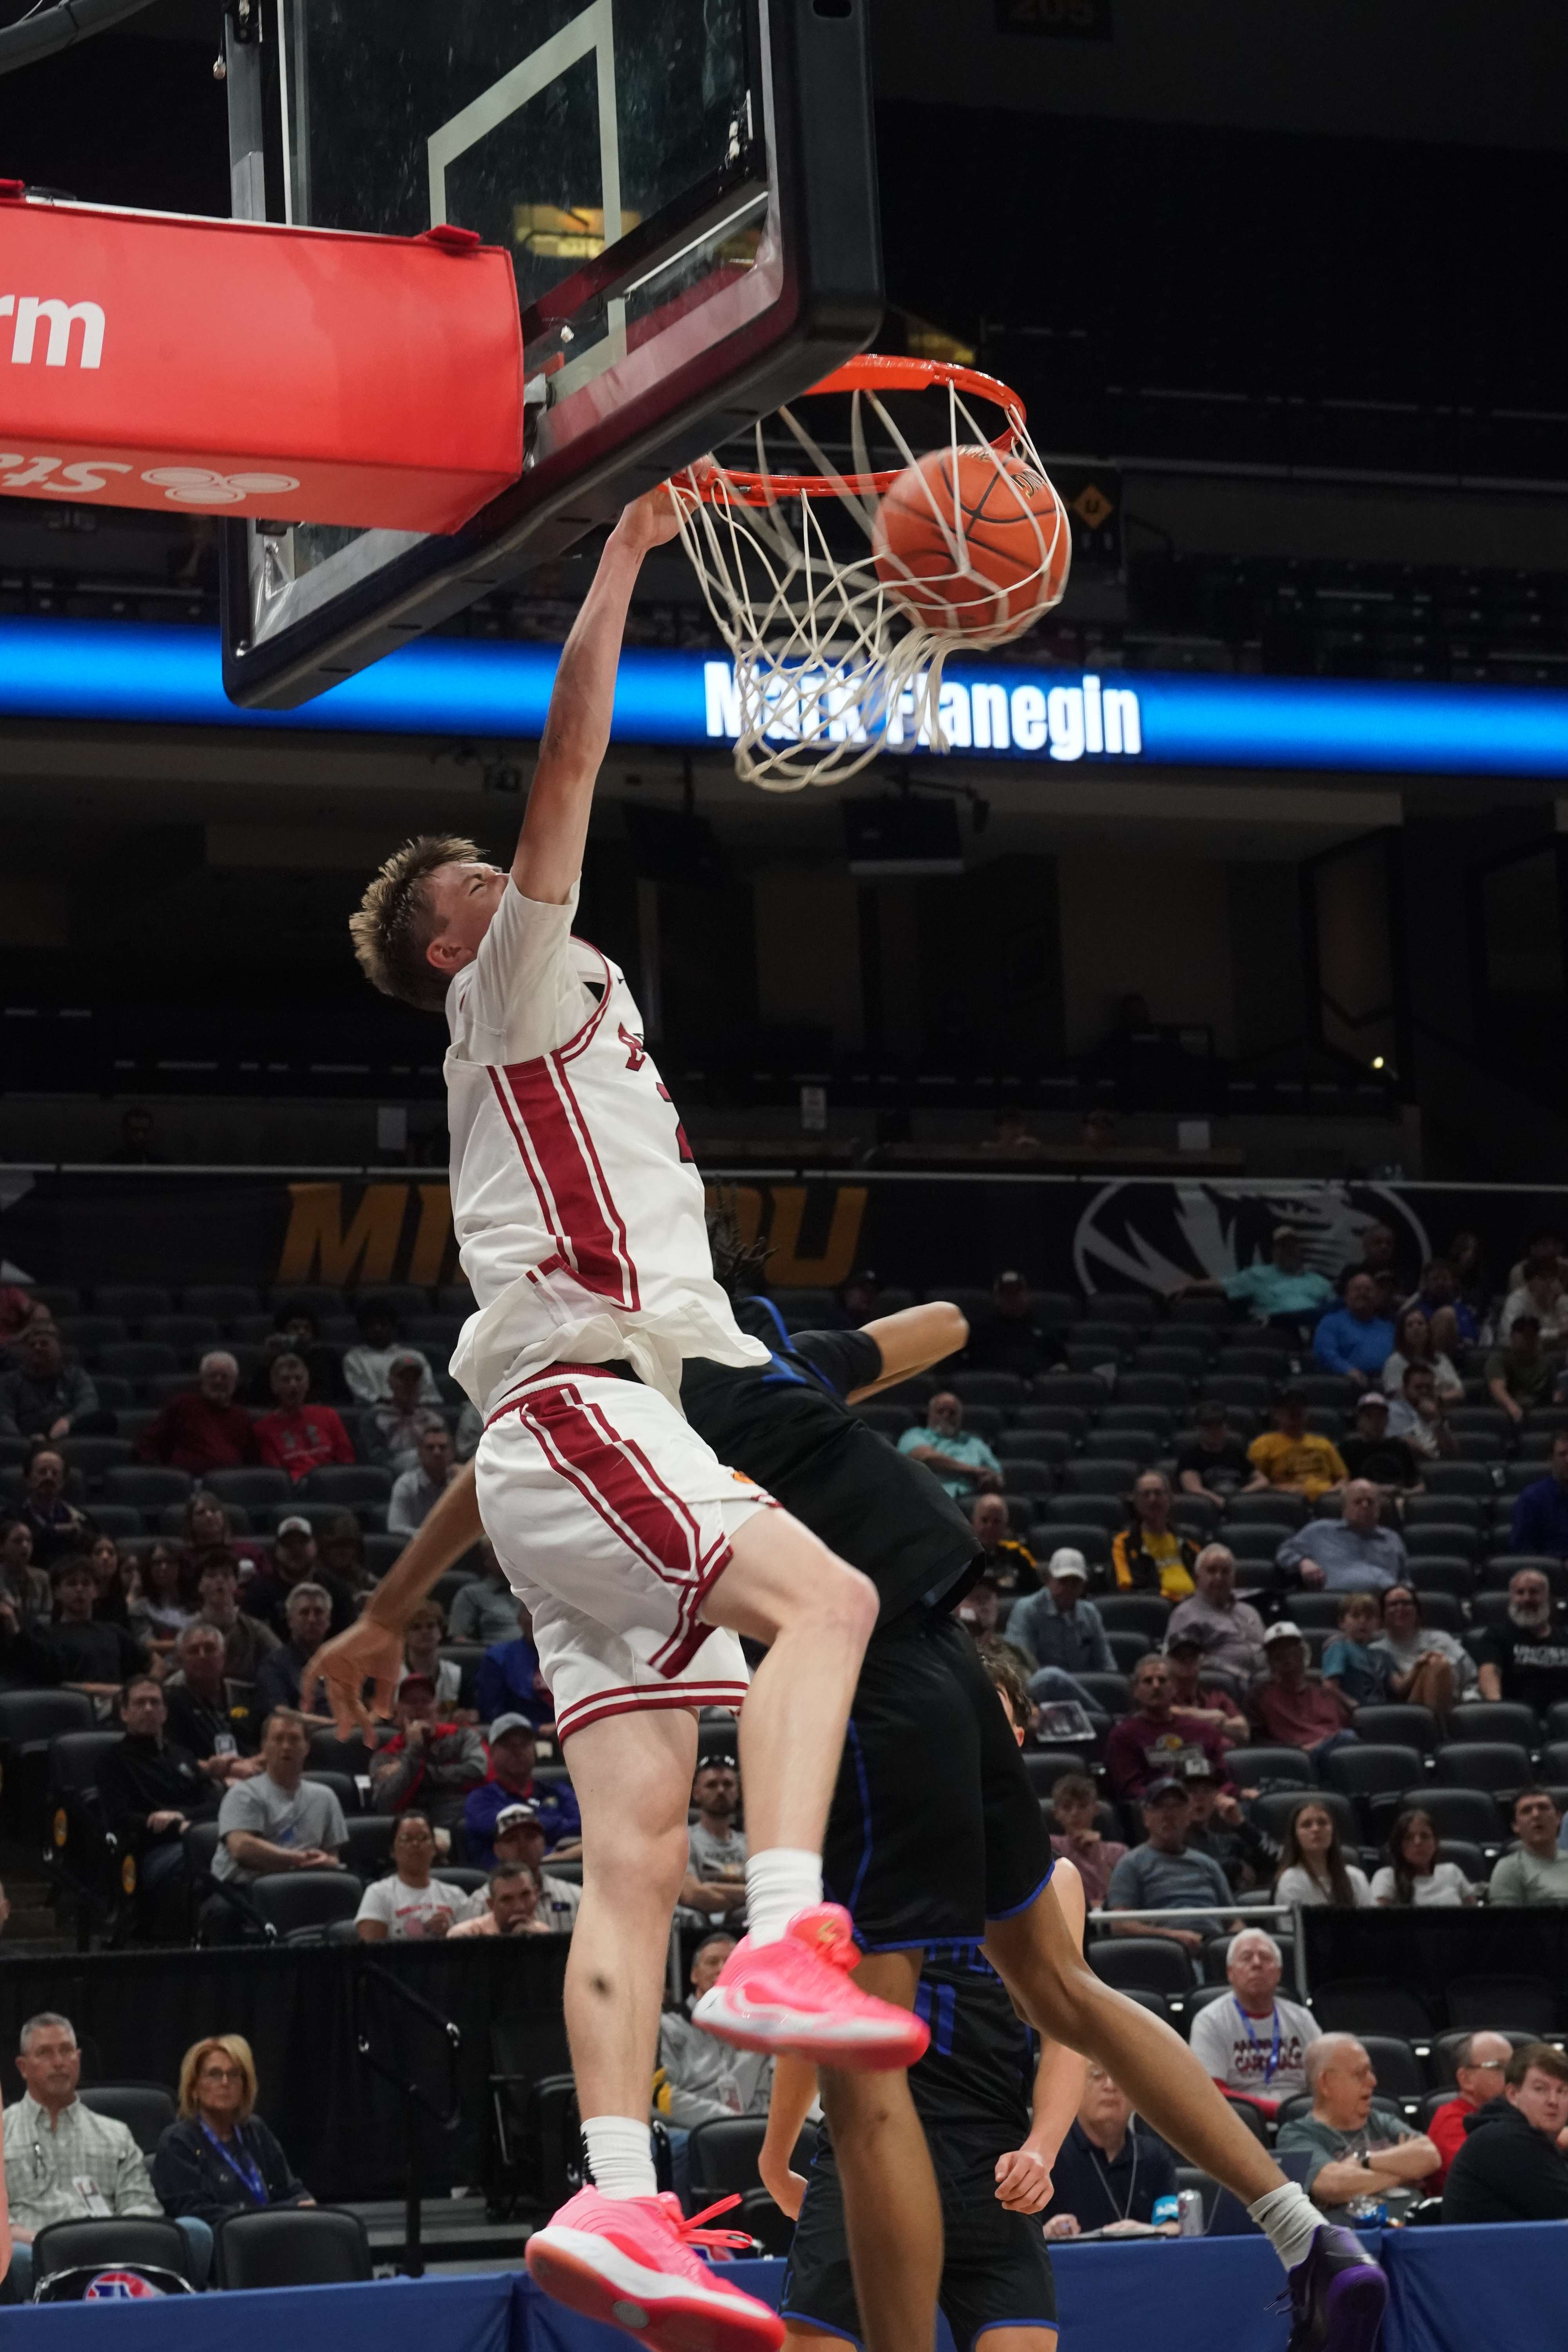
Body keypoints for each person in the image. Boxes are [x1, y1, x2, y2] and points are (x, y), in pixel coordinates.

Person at [312, 1328, 1379, 2352]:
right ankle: (1300, 2231)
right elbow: (942, 1323)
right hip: (955, 1653)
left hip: (865, 1682)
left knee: (865, 2081)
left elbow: (504, 1455)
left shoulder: (625, 1369)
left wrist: (390, 1606)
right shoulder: (769, 1353)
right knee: (1064, 1989)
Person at [773, 1888, 1083, 2349]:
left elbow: (1066, 2031)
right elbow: (814, 2013)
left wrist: (1043, 2146)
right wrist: (774, 2159)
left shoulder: (1050, 1878)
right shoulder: (860, 1859)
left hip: (989, 2164)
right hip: (863, 2146)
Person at [2, 2011, 213, 2295]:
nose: (59, 2062)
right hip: (36, 2253)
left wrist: (111, 2238)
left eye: (66, 2051)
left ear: (78, 2058)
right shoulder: (6, 2131)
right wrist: (44, 2241)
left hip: (113, 2253)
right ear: (23, 2067)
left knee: (195, 2231)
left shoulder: (115, 2134)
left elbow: (143, 2207)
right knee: (14, 2257)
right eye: (45, 2053)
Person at [97, 1673, 221, 1937]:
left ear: (165, 1712)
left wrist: (182, 1817)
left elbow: (216, 1803)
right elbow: (120, 1818)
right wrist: (169, 1825)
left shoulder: (182, 1756)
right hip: (150, 1851)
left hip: (196, 1837)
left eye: (155, 1703)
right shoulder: (112, 1761)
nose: (149, 1709)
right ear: (125, 1713)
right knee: (199, 1860)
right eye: (140, 1703)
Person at [151, 2035, 313, 2227]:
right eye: (215, 2074)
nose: (226, 2082)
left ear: (245, 2086)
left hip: (274, 2232)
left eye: (235, 2074)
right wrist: (271, 2215)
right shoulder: (179, 2141)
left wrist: (303, 2203)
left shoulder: (255, 2130)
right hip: (223, 2243)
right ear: (194, 2088)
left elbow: (291, 2189)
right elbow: (194, 2212)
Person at [1278, 2036, 1439, 2226]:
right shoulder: (1297, 2134)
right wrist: (1406, 2173)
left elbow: (1430, 2156)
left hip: (1414, 2232)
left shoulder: (1382, 2120)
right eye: (1360, 2074)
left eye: (1370, 2072)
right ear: (1326, 2083)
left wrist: (1363, 2161)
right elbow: (1334, 2185)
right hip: (1349, 2244)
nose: (1373, 2081)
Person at [209, 1708, 347, 1922]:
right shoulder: (244, 1793)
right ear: (264, 1747)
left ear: (307, 1748)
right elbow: (242, 1848)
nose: (286, 1747)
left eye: (294, 1740)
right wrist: (297, 1860)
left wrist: (326, 1862)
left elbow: (333, 1856)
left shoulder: (325, 1797)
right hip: (247, 1891)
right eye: (278, 1739)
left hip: (306, 1888)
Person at [1040, 2059, 1181, 2238]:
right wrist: (1047, 2232)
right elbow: (1022, 2236)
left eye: (1119, 2077)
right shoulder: (1049, 2154)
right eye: (1097, 2075)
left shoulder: (1154, 2156)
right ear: (1075, 2088)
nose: (1110, 2086)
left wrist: (1146, 2231)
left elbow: (1174, 2227)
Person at [1189, 1930, 1321, 2116]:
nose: (1257, 1964)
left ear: (1279, 1972)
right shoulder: (1210, 2021)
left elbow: (1327, 2079)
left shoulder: (1302, 2018)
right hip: (1241, 2123)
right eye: (1246, 1958)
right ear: (1231, 1973)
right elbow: (1212, 2092)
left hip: (1302, 2121)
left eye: (1266, 1958)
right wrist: (1279, 2111)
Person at [1442, 2043, 1568, 2225]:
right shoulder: (1505, 2141)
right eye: (1540, 2089)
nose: (1553, 2101)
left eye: (1562, 2091)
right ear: (1513, 2094)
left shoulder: (1524, 2137)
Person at [1104, 1780, 1241, 1945]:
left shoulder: (1208, 1864)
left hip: (1214, 1948)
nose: (1168, 1815)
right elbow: (1120, 1925)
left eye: (1176, 1806)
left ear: (1188, 1815)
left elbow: (1235, 1922)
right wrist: (1171, 1938)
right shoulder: (1131, 1864)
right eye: (1159, 1807)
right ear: (1145, 1817)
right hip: (1164, 1953)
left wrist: (1232, 1945)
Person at [656, 1936, 773, 2127]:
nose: (722, 1969)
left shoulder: (762, 2031)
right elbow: (657, 2097)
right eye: (712, 1962)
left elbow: (771, 2096)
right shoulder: (667, 2026)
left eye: (732, 1963)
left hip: (753, 2132)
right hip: (687, 2132)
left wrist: (750, 2128)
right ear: (694, 1975)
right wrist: (723, 2120)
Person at [5, 1554, 148, 1694]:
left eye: (86, 1583)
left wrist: (144, 1689)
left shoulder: (114, 1632)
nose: (79, 1589)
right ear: (57, 1593)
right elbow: (51, 1685)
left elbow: (157, 1664)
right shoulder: (43, 1636)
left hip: (120, 1708)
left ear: (96, 1591)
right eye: (71, 1583)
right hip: (72, 1707)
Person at [1103, 1653, 1235, 1800]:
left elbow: (1223, 1780)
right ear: (1135, 1690)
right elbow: (1130, 1789)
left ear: (1174, 1687)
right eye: (1148, 1681)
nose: (1156, 1686)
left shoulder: (1203, 1730)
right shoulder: (1123, 1736)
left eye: (1162, 1680)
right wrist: (1175, 1801)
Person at [368, 1675, 487, 1830]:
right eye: (411, 1702)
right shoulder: (386, 1756)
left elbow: (478, 1771)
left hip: (461, 1823)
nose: (419, 1707)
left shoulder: (463, 1736)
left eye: (426, 1701)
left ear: (436, 1707)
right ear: (398, 1710)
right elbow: (385, 1804)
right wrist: (414, 1749)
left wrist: (415, 1771)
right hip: (413, 1834)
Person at [462, 1714, 581, 1867]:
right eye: (508, 1745)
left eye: (524, 1744)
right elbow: (509, 1833)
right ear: (491, 1753)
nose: (517, 1751)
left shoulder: (558, 1791)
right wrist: (556, 1823)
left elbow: (580, 1825)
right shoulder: (480, 1800)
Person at [1006, 1548, 1116, 1710]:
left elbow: (1106, 1665)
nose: (1069, 1589)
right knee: (1050, 1677)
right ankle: (1104, 1716)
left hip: (1083, 1689)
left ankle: (1101, 1715)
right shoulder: (1027, 1609)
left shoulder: (1089, 1613)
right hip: (1040, 1694)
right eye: (1063, 1581)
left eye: (1075, 1583)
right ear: (1049, 1579)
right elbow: (1019, 1664)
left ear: (1084, 1585)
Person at [1174, 1224, 1335, 1333]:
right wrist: (1190, 1286)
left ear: (1300, 1251)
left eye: (1292, 1247)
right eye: (1283, 1247)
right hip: (1274, 1333)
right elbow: (1221, 1285)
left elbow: (1338, 1310)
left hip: (1312, 1333)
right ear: (1275, 1252)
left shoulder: (1319, 1281)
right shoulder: (1258, 1275)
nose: (1288, 1251)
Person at [137, 1351, 260, 1476]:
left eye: (225, 1376)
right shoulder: (183, 1405)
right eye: (213, 1376)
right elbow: (150, 1442)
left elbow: (252, 1458)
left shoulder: (242, 1417)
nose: (218, 1381)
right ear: (203, 1379)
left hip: (231, 1483)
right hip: (189, 1483)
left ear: (235, 1382)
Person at [163, 1619, 261, 1774]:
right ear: (180, 1661)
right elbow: (171, 1757)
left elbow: (275, 1739)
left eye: (210, 1649)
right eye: (194, 1651)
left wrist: (250, 1764)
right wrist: (225, 1769)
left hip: (255, 1773)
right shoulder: (169, 1702)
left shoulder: (247, 1692)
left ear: (223, 1657)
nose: (203, 1656)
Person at [1248, 1623, 1356, 1761]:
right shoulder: (1259, 1696)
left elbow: (1349, 1722)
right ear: (1270, 1663)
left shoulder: (1324, 1693)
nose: (1287, 1661)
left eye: (1292, 1654)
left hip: (1338, 1754)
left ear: (1303, 1654)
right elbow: (1259, 1743)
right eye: (1279, 1657)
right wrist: (1300, 1751)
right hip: (1297, 1760)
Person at [1276, 1480, 1407, 1593]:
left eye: (1370, 1502)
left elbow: (1404, 1579)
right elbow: (1285, 1552)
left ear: (1378, 1508)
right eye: (1358, 1502)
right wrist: (1302, 1562)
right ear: (1344, 1509)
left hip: (1386, 1606)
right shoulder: (1319, 1531)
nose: (1365, 1506)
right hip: (1339, 1604)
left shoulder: (1392, 1538)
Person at [355, 1808, 465, 1939]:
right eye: (406, 1839)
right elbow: (372, 1953)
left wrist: (451, 1932)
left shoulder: (456, 1895)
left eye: (423, 1838)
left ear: (434, 1848)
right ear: (392, 1851)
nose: (415, 1844)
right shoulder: (378, 1894)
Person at [1166, 1544, 1267, 1686]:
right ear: (1197, 1578)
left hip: (1265, 1683)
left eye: (1225, 1572)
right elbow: (1185, 1661)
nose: (1219, 1577)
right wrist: (1240, 1674)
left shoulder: (1250, 1611)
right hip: (1222, 1687)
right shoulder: (1185, 1615)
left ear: (1234, 1578)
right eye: (1212, 1571)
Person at [1371, 1584, 1475, 1717]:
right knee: (1437, 1664)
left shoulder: (1441, 1640)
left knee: (1438, 1663)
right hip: (1403, 1714)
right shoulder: (1376, 1651)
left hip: (1452, 1708)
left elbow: (1471, 1678)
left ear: (1417, 1610)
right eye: (1393, 1605)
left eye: (1406, 1603)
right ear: (1383, 1613)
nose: (1400, 1609)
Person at [1426, 2033, 1512, 2189]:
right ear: (1466, 2079)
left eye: (1514, 2066)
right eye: (1499, 2067)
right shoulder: (1450, 2122)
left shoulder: (1513, 2114)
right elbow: (1495, 2174)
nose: (1513, 2076)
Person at [244, 1519, 356, 1640]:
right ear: (276, 1551)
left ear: (315, 1547)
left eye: (302, 1543)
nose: (296, 1549)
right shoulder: (258, 1593)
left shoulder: (338, 1591)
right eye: (288, 1544)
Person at [1476, 1566, 1568, 1711]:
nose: (1527, 1599)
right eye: (1520, 1593)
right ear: (1512, 1598)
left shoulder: (1565, 1638)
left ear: (1547, 1597)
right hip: (1516, 1721)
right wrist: (1498, 1707)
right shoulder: (1496, 1636)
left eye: (1534, 1592)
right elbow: (1489, 1672)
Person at [254, 1352, 356, 1483]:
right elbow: (278, 1477)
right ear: (275, 1387)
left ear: (307, 1384)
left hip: (335, 1484)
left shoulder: (329, 1415)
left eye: (299, 1379)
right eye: (286, 1380)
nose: (293, 1385)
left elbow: (347, 1460)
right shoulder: (263, 1428)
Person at [0, 1319, 107, 1441]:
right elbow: (4, 1416)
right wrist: (23, 1440)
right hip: (27, 1436)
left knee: (105, 1419)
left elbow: (89, 1401)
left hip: (67, 1433)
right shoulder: (9, 1381)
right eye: (32, 1345)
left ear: (59, 1349)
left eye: (44, 1343)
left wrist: (69, 1420)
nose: (37, 1348)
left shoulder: (76, 1375)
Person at [1182, 1763, 1277, 1893]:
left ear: (1217, 1797)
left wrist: (1240, 1824)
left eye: (1207, 1790)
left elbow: (1275, 1860)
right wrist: (1234, 1866)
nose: (1200, 1797)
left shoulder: (1226, 1842)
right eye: (1192, 1791)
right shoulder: (1168, 1840)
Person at [253, 1582, 337, 1723]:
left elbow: (370, 1701)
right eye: (304, 1613)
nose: (312, 1620)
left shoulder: (343, 1661)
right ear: (291, 1621)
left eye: (318, 1612)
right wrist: (333, 1724)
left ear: (328, 1621)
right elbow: (280, 1713)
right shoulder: (275, 1664)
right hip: (307, 1736)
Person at [679, 1755, 748, 1924]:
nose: (721, 1791)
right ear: (696, 1793)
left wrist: (710, 1889)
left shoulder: (750, 1844)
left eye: (728, 1784)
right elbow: (692, 1894)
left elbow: (767, 1891)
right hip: (695, 1932)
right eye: (711, 1785)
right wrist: (747, 1895)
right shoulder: (684, 1840)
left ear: (738, 1792)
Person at [897, 1390, 1003, 1499]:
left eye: (952, 1413)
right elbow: (928, 1458)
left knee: (994, 1503)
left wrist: (991, 1481)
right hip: (927, 1498)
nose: (946, 1416)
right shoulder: (913, 1435)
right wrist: (973, 1471)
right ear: (930, 1414)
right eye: (941, 1411)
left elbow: (998, 1476)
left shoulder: (975, 1443)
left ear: (960, 1417)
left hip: (970, 1500)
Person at [194, 1553, 279, 1687]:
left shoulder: (254, 1629)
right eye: (211, 1575)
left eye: (227, 1575)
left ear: (235, 1584)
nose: (220, 1580)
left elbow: (281, 1659)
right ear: (200, 1585)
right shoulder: (190, 1632)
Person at [1109, 1470, 1196, 1601]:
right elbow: (1128, 1585)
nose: (1153, 1499)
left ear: (1170, 1498)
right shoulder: (1125, 1543)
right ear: (1136, 1502)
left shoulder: (1189, 1539)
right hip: (1155, 1612)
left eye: (1158, 1493)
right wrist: (1175, 1599)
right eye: (1146, 1494)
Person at [1246, 1392, 1348, 1504]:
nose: (1295, 1415)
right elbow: (1257, 1482)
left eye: (1299, 1411)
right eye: (1289, 1411)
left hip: (1326, 1499)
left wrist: (1336, 1490)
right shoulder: (1263, 1444)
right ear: (1277, 1415)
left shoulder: (1323, 1443)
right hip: (1286, 1501)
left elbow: (1343, 1478)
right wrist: (1279, 1490)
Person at [1047, 1771, 1127, 1911]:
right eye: (1067, 1807)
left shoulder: (1119, 1851)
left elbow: (1120, 1900)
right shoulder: (1050, 1846)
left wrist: (1098, 1856)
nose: (1075, 1813)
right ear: (1056, 1814)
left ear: (1096, 1810)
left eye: (1083, 1806)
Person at [1274, 1799, 1373, 1910]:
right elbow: (1293, 1926)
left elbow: (1371, 1924)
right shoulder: (1291, 1879)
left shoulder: (1357, 1877)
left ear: (1332, 1831)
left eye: (1322, 1823)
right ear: (1296, 1836)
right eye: (1307, 1825)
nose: (1316, 1829)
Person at [1370, 1807, 1475, 1907]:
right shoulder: (1387, 1878)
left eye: (1425, 1836)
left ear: (1435, 1842)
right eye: (1409, 1838)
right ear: (1399, 1845)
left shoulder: (1452, 1872)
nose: (1418, 1842)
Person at [342, 1303, 441, 1409]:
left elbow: (428, 1390)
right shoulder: (354, 1358)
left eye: (383, 1324)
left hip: (416, 1411)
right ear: (363, 1329)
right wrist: (385, 1402)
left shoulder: (414, 1356)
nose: (378, 1330)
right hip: (373, 1411)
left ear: (393, 1327)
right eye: (372, 1325)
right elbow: (361, 1390)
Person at [365, 1350, 448, 1472]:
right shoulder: (376, 1417)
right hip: (398, 1473)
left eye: (414, 1380)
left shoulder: (434, 1419)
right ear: (391, 1382)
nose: (409, 1385)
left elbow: (448, 1451)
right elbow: (376, 1457)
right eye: (404, 1379)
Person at [16, 1444, 95, 1567]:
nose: (49, 1477)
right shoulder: (12, 1519)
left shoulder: (83, 1520)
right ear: (28, 1479)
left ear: (63, 1482)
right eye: (42, 1472)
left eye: (55, 1473)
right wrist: (55, 1531)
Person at [1162, 1634, 1250, 1744]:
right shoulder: (1162, 1696)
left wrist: (1189, 1721)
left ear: (1201, 1661)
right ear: (1167, 1662)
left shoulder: (1217, 1697)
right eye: (1180, 1657)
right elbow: (1164, 1715)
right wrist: (1216, 1716)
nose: (1188, 1661)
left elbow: (1244, 1732)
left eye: (1193, 1656)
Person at [1312, 1275, 1395, 1392]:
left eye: (1368, 1290)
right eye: (1357, 1290)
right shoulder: (1331, 1322)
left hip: (1386, 1385)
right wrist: (1348, 1370)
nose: (1363, 1294)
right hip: (1346, 1386)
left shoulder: (1389, 1327)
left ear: (1377, 1297)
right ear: (1346, 1297)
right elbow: (1325, 1353)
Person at [1488, 1787, 1568, 1905]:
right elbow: (1505, 1921)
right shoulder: (1508, 1869)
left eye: (1543, 1808)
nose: (1536, 1815)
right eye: (1527, 1811)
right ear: (1516, 1826)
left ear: (1558, 1818)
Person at [474, 1617, 553, 1728]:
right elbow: (491, 1713)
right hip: (517, 1736)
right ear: (520, 1620)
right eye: (529, 1613)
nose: (535, 1619)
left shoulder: (576, 1657)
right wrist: (537, 1728)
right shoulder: (498, 1658)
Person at [1336, 1392, 1420, 1495]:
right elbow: (1340, 1486)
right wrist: (1376, 1490)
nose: (1375, 1421)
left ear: (1387, 1420)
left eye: (1380, 1416)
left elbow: (1419, 1485)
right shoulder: (1348, 1449)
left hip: (1398, 1502)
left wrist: (1402, 1493)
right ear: (1359, 1421)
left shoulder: (1400, 1447)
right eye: (1369, 1416)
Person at [1321, 1592, 1394, 1710]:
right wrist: (1352, 1704)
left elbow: (1398, 1687)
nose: (1363, 1621)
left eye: (1369, 1617)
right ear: (1342, 1622)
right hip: (1354, 1712)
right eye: (1356, 1616)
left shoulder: (1382, 1654)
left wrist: (1420, 1664)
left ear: (1378, 1624)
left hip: (1381, 1711)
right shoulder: (1339, 1648)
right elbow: (1329, 1687)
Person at [447, 1858, 556, 1937]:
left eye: (525, 1895)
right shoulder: (464, 1936)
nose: (519, 1907)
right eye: (507, 1899)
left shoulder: (544, 1934)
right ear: (491, 1905)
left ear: (536, 1895)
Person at [388, 1421, 459, 1537]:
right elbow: (396, 1528)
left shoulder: (459, 1482)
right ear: (420, 1454)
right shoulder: (406, 1485)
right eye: (430, 1448)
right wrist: (432, 1538)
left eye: (443, 1447)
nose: (437, 1452)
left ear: (452, 1453)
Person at [1175, 1401, 1253, 1505]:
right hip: (1205, 1509)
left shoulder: (1236, 1452)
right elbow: (1193, 1488)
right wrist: (1217, 1500)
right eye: (1208, 1426)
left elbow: (1262, 1480)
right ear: (1199, 1429)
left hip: (1237, 1504)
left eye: (1219, 1425)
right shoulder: (1190, 1456)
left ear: (1226, 1427)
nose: (1214, 1430)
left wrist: (1240, 1495)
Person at [396, 1596, 464, 1712]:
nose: (425, 1632)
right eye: (416, 1627)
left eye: (431, 1626)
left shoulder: (456, 1675)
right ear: (405, 1635)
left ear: (440, 1632)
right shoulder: (392, 1677)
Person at [128, 1540, 196, 1655]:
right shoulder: (140, 1608)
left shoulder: (198, 1605)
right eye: (157, 1563)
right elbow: (146, 1644)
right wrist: (188, 1645)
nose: (164, 1567)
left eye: (170, 1562)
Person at [1381, 1306, 1463, 1401]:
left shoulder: (1441, 1358)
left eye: (1421, 1324)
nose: (1416, 1328)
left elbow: (1459, 1392)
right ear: (1403, 1333)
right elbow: (1397, 1395)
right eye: (1410, 1325)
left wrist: (1439, 1400)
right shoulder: (1394, 1362)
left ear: (1428, 1330)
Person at [1486, 1312, 1553, 1426]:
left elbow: (1554, 1394)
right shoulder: (1499, 1359)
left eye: (1532, 1333)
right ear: (1512, 1336)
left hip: (1540, 1414)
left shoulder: (1546, 1363)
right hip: (1508, 1416)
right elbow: (1497, 1388)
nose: (1528, 1337)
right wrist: (1513, 1408)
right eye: (1523, 1333)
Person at [1509, 1430, 1568, 1559]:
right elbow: (1522, 1550)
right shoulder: (1532, 1498)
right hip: (1549, 1573)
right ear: (1550, 1460)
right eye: (1563, 1454)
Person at [448, 1547, 524, 1646]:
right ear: (487, 1560)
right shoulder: (471, 1594)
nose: (508, 1559)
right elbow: (458, 1639)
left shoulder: (532, 1589)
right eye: (500, 1554)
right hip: (495, 1657)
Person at [968, 1492, 1039, 1595]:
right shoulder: (961, 1555)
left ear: (1005, 1527)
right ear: (973, 1523)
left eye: (996, 1522)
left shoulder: (1019, 1554)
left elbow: (1036, 1594)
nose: (990, 1527)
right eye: (984, 1520)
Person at [1384, 1363, 1456, 1465]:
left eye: (1429, 1387)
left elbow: (1453, 1454)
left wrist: (1436, 1420)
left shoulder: (1434, 1410)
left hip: (1439, 1469)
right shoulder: (1394, 1410)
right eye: (1418, 1387)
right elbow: (1408, 1448)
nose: (1424, 1391)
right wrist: (1435, 1462)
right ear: (1405, 1389)